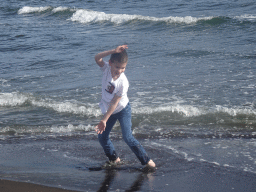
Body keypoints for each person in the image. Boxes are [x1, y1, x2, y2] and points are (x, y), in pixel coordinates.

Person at [94, 45, 155, 168]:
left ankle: (148, 161)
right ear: (110, 63)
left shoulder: (123, 82)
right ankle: (115, 160)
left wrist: (104, 120)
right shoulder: (106, 68)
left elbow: (115, 103)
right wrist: (113, 51)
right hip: (109, 111)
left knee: (127, 137)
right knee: (102, 137)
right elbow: (97, 58)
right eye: (117, 67)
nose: (120, 70)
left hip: (122, 109)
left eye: (123, 68)